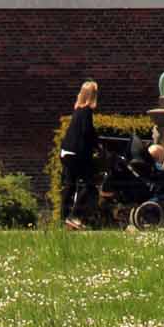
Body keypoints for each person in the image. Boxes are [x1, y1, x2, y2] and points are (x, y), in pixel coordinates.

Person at [60, 79, 99, 227]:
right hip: (77, 153)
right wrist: (97, 146)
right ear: (92, 95)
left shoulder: (77, 111)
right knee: (89, 184)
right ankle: (74, 215)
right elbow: (87, 132)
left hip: (66, 151)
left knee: (69, 185)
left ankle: (63, 219)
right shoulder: (87, 111)